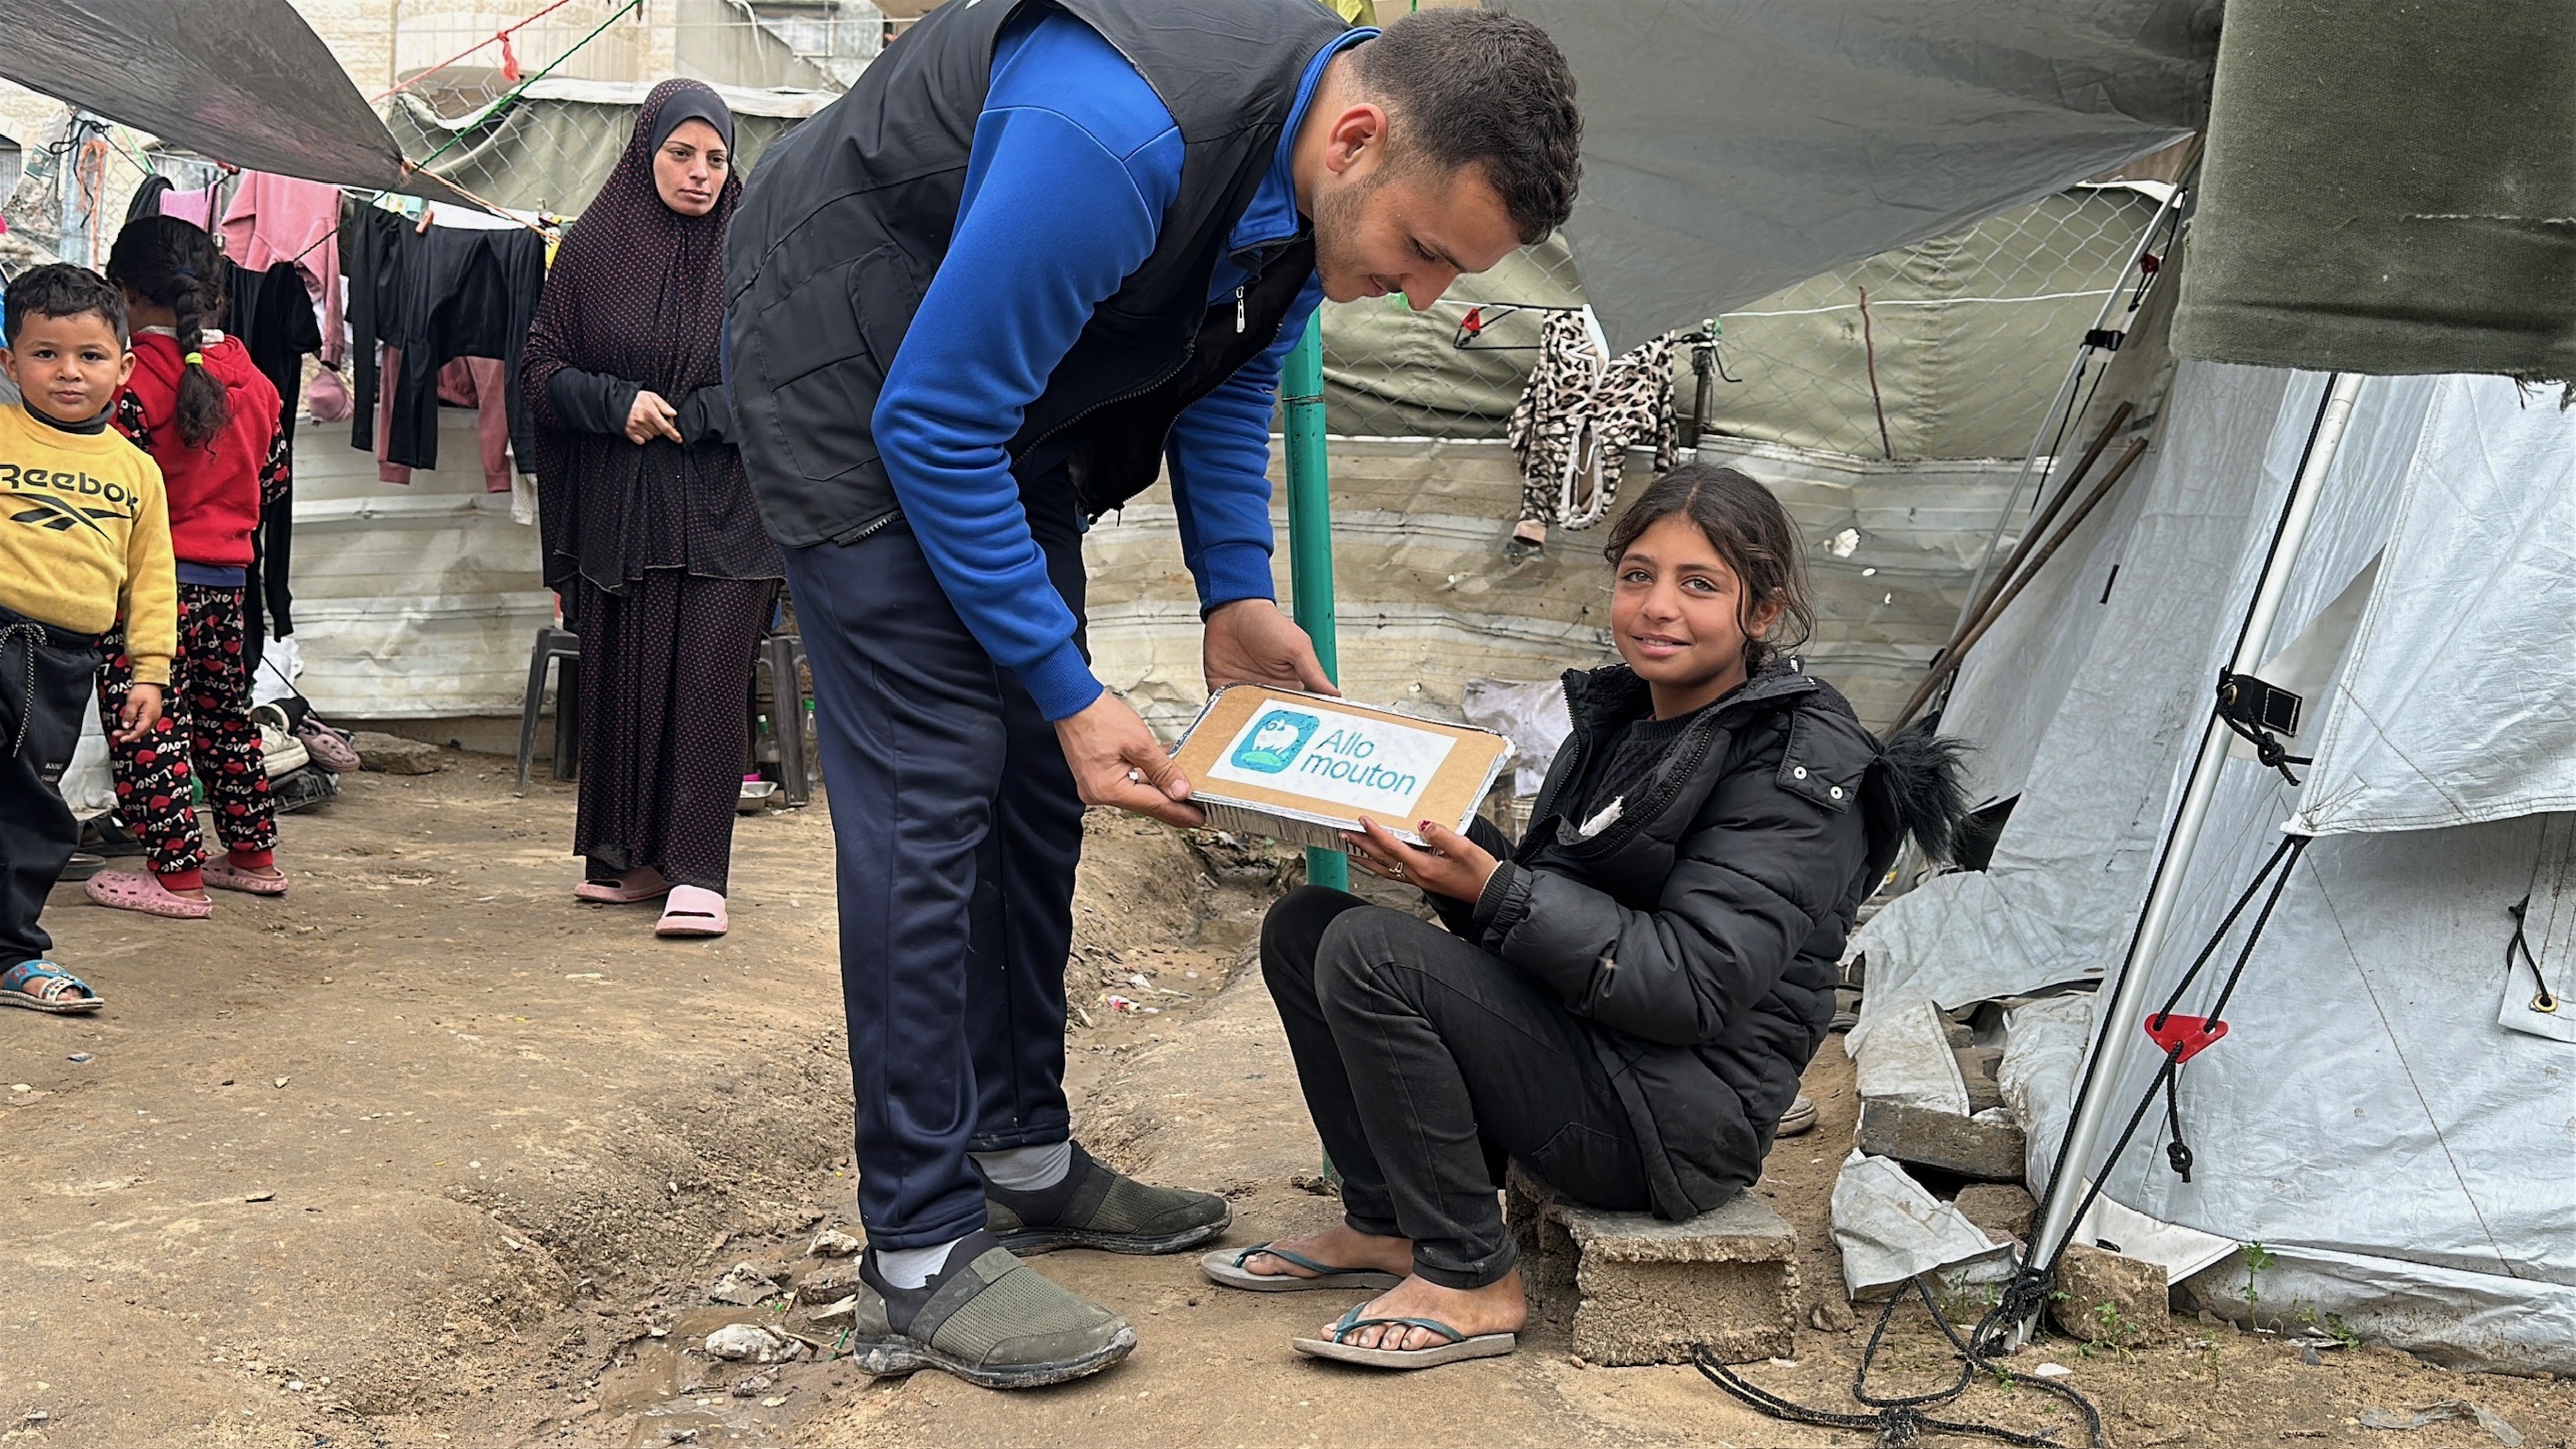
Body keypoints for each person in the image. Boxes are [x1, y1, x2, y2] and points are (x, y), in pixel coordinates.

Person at [726, 0, 1582, 1389]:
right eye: (1425, 252)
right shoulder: (1110, 132)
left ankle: (1017, 1151)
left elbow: (1229, 361)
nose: (1425, 295)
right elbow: (930, 422)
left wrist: (1231, 593)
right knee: (941, 774)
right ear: (1358, 136)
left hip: (996, 407)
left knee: (1030, 794)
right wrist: (1070, 690)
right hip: (851, 361)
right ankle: (916, 1255)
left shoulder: (1309, 164)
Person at [1204, 466, 1966, 1369]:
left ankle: (1472, 1275)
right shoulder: (1625, 719)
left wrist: (1496, 887)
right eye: (1638, 575)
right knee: (1307, 925)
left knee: (1371, 952)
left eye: (1699, 585)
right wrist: (1457, 865)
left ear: (1761, 612)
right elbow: (1570, 905)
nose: (1657, 607)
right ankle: (1391, 1224)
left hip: (1668, 1126)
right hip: (1592, 1053)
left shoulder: (1799, 768)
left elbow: (1691, 984)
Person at [523, 80, 785, 940]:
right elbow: (540, 370)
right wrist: (617, 403)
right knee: (624, 677)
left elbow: (787, 373)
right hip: (624, 511)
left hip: (726, 511)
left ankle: (698, 872)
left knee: (710, 680)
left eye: (716, 157)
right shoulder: (594, 250)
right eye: (682, 153)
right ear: (646, 152)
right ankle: (628, 859)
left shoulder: (758, 251)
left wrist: (695, 415)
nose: (701, 174)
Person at [85, 216, 290, 920]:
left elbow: (112, 490)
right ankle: (252, 856)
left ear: (122, 293)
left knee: (146, 721)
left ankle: (174, 876)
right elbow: (274, 484)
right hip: (229, 586)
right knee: (223, 718)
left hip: (150, 588)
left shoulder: (131, 384)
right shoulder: (256, 382)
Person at [0, 264, 174, 1013]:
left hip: (64, 659)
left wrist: (151, 671)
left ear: (124, 367)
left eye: (90, 356)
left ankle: (12, 957)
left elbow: (153, 578)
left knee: (34, 807)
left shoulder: (135, 470)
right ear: (9, 362)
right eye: (44, 354)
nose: (68, 372)